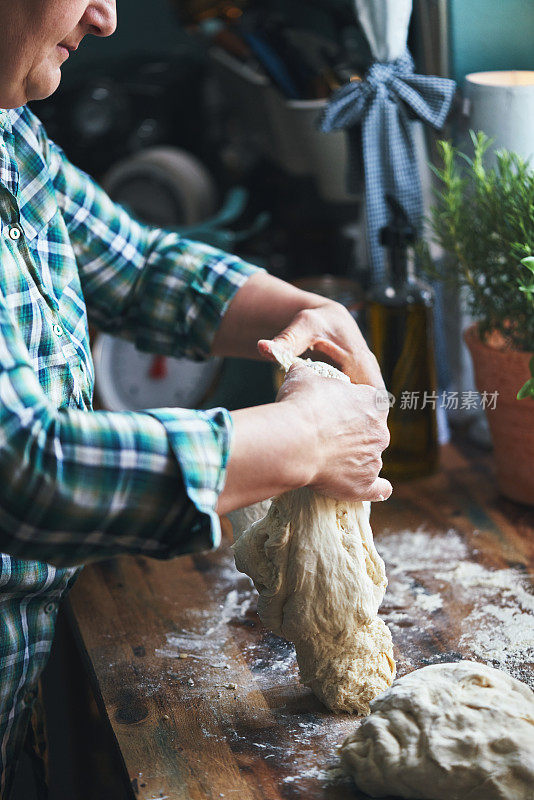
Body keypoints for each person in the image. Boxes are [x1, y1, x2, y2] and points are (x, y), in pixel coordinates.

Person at [0, 0, 392, 795]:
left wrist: (297, 310)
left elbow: (136, 266)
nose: (107, 16)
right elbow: (26, 469)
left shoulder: (8, 133)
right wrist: (303, 439)